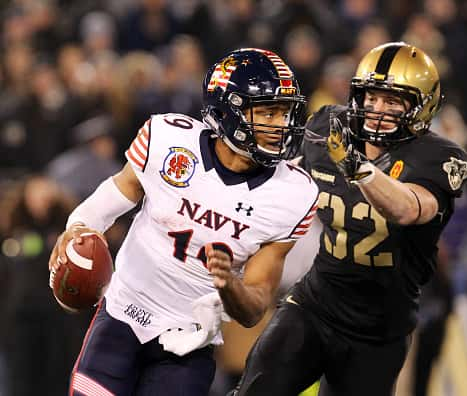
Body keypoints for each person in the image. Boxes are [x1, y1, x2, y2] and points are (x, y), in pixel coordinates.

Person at [47, 48, 319, 396]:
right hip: (121, 316)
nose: (281, 125)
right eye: (268, 112)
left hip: (187, 343)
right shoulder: (168, 140)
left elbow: (255, 307)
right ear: (228, 110)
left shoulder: (291, 194)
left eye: (285, 113)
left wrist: (229, 286)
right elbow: (106, 203)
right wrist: (77, 229)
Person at [232, 42, 467, 396]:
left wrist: (357, 168)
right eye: (371, 97)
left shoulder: (438, 156)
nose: (378, 109)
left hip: (379, 330)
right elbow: (284, 184)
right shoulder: (331, 125)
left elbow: (408, 208)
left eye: (393, 101)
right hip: (316, 304)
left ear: (422, 106)